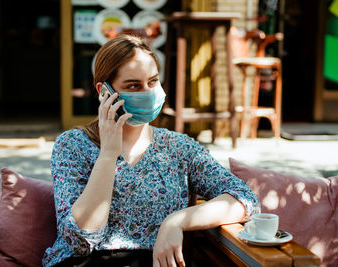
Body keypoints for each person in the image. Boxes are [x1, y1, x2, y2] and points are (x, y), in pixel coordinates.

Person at [42, 35, 260, 267]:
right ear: (104, 92)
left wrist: (176, 221)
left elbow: (245, 200)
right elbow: (80, 241)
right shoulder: (72, 145)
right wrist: (108, 154)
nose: (147, 92)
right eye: (134, 86)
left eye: (153, 82)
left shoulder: (179, 148)